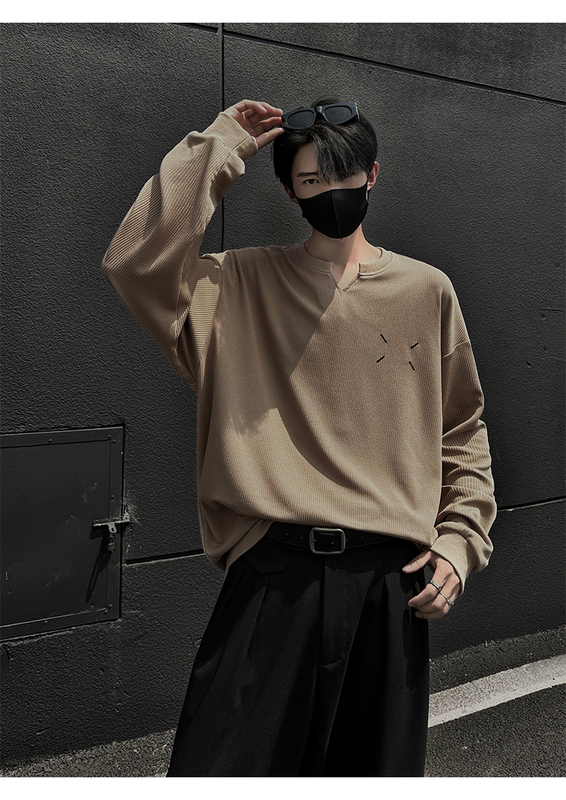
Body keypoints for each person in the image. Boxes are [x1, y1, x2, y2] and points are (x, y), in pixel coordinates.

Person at [101, 97, 497, 777]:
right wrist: (221, 145)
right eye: (311, 181)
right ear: (289, 192)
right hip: (272, 577)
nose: (330, 193)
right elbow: (134, 262)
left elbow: (461, 427)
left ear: (373, 174)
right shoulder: (235, 285)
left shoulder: (427, 291)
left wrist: (460, 542)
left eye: (343, 176)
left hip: (390, 583)